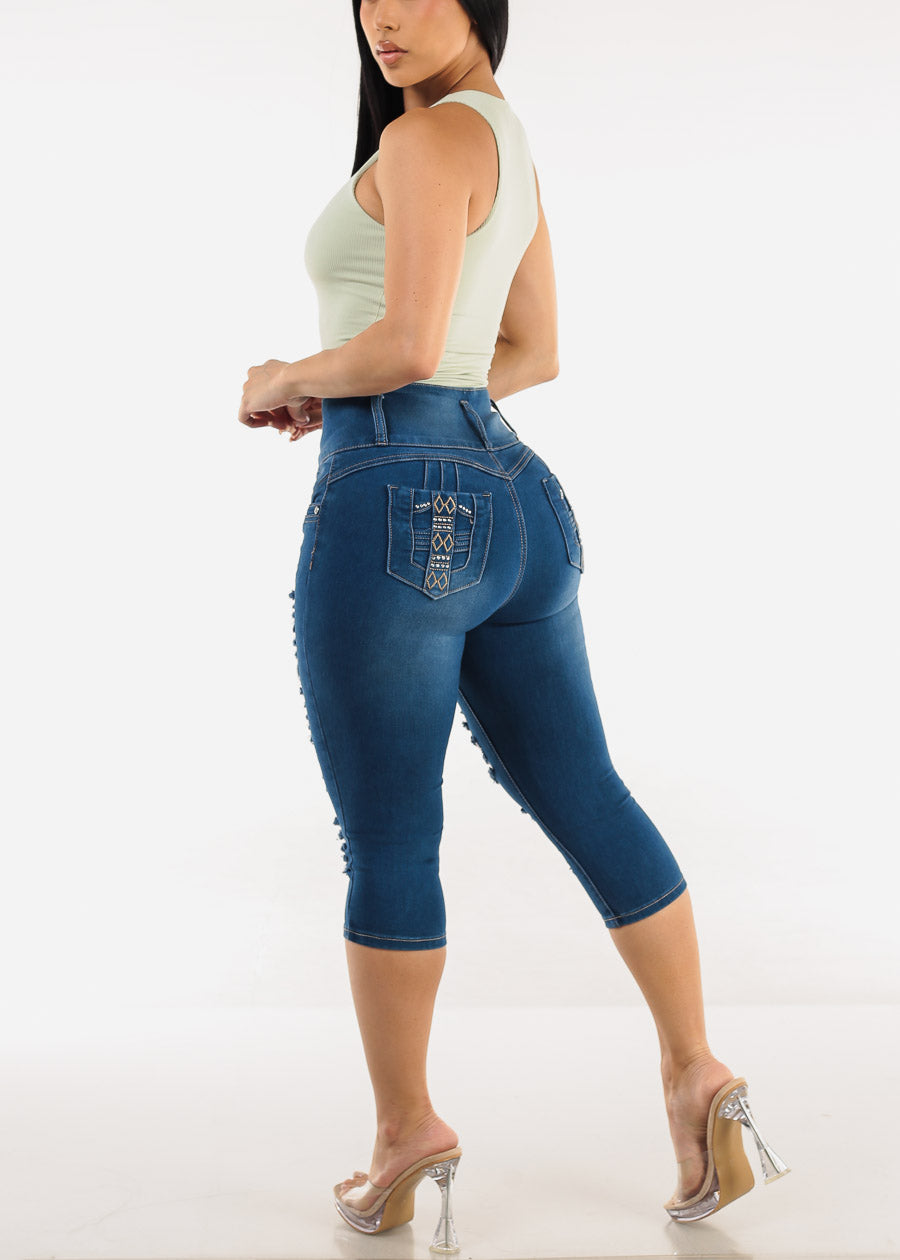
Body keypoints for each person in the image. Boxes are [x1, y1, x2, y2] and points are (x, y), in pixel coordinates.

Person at [238, 1, 790, 1251]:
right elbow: (528, 350)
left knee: (389, 833)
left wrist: (295, 379)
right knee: (586, 787)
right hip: (512, 500)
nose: (384, 15)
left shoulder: (426, 138)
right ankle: (697, 1072)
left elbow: (407, 343)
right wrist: (381, 394)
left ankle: (406, 1133)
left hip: (395, 504)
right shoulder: (503, 136)